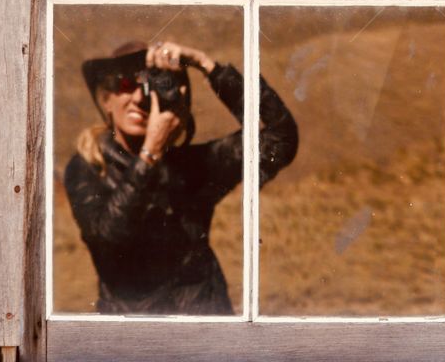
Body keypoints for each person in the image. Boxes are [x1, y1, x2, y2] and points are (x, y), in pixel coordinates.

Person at [64, 38, 298, 314]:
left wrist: (206, 65)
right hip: (134, 339)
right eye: (126, 85)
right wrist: (150, 154)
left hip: (206, 327)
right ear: (106, 101)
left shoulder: (190, 167)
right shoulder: (89, 166)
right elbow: (108, 238)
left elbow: (280, 137)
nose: (139, 97)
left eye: (150, 87)